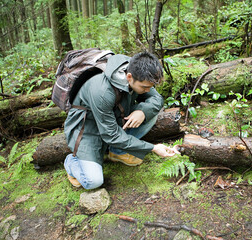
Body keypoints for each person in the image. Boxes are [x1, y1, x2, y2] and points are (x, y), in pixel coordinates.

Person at [63, 51, 179, 189]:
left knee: (150, 113)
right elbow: (111, 135)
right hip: (87, 127)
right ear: (129, 77)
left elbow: (157, 99)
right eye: (145, 87)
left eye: (151, 87)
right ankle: (72, 162)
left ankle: (117, 152)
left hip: (113, 116)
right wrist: (153, 148)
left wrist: (143, 112)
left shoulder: (138, 72)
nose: (148, 91)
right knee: (93, 181)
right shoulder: (102, 91)